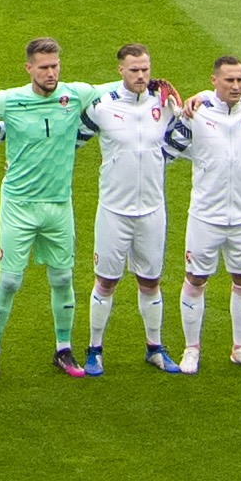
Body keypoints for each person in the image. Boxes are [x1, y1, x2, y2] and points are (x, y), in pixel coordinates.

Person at [0, 40, 107, 379]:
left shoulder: (74, 95)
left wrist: (160, 87)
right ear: (29, 68)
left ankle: (63, 348)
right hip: (19, 207)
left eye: (55, 65)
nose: (51, 73)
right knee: (10, 280)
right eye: (43, 67)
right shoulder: (9, 100)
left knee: (63, 277)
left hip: (59, 206)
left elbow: (118, 86)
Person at [84, 46, 186, 370]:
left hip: (153, 210)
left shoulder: (164, 103)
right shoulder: (102, 107)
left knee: (151, 281)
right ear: (120, 71)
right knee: (105, 282)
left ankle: (154, 347)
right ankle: (94, 349)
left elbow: (191, 121)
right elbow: (67, 140)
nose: (141, 76)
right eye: (134, 70)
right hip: (114, 211)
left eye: (145, 69)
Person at [177, 56, 241, 372]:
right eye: (229, 80)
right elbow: (166, 144)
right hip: (205, 215)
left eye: (240, 80)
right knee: (196, 278)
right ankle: (191, 349)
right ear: (214, 80)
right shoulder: (197, 113)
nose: (236, 86)